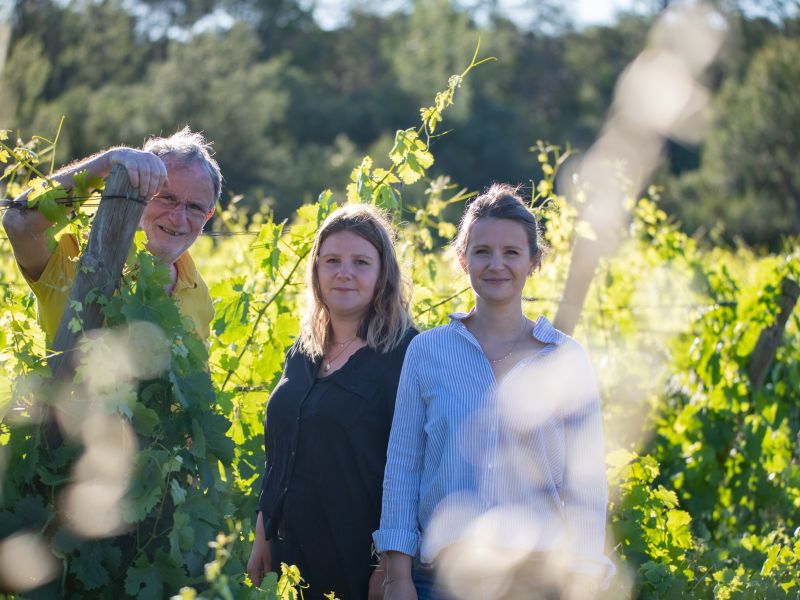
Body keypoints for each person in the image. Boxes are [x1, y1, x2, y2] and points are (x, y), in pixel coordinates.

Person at [374, 184, 614, 600]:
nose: (496, 264)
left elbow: (586, 486)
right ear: (462, 259)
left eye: (511, 252)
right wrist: (398, 578)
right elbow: (403, 468)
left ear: (534, 261)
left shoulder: (566, 359)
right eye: (482, 251)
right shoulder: (427, 351)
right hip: (440, 580)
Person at [247, 204, 417, 600]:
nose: (344, 272)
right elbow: (279, 452)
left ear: (383, 274)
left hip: (355, 558)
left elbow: (411, 470)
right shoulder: (304, 349)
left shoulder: (406, 355)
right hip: (287, 555)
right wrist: (262, 534)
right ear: (316, 270)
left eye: (361, 262)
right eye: (332, 261)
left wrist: (389, 567)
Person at [2, 127, 220, 342]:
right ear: (137, 192)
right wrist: (109, 161)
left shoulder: (198, 291)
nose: (179, 218)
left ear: (208, 216)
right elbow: (17, 222)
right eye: (167, 198)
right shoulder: (75, 254)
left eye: (195, 207)